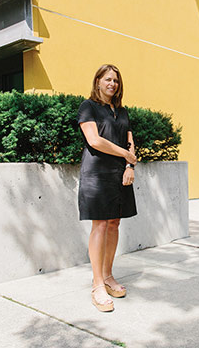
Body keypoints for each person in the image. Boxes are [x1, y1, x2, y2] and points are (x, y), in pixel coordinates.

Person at [77, 64, 137, 312]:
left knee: (115, 223)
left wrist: (130, 166)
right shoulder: (87, 107)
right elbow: (94, 140)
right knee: (100, 224)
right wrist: (125, 153)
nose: (112, 84)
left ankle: (109, 275)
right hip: (97, 173)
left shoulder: (122, 111)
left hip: (120, 173)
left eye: (116, 80)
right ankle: (97, 284)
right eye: (108, 79)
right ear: (98, 81)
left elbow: (130, 141)